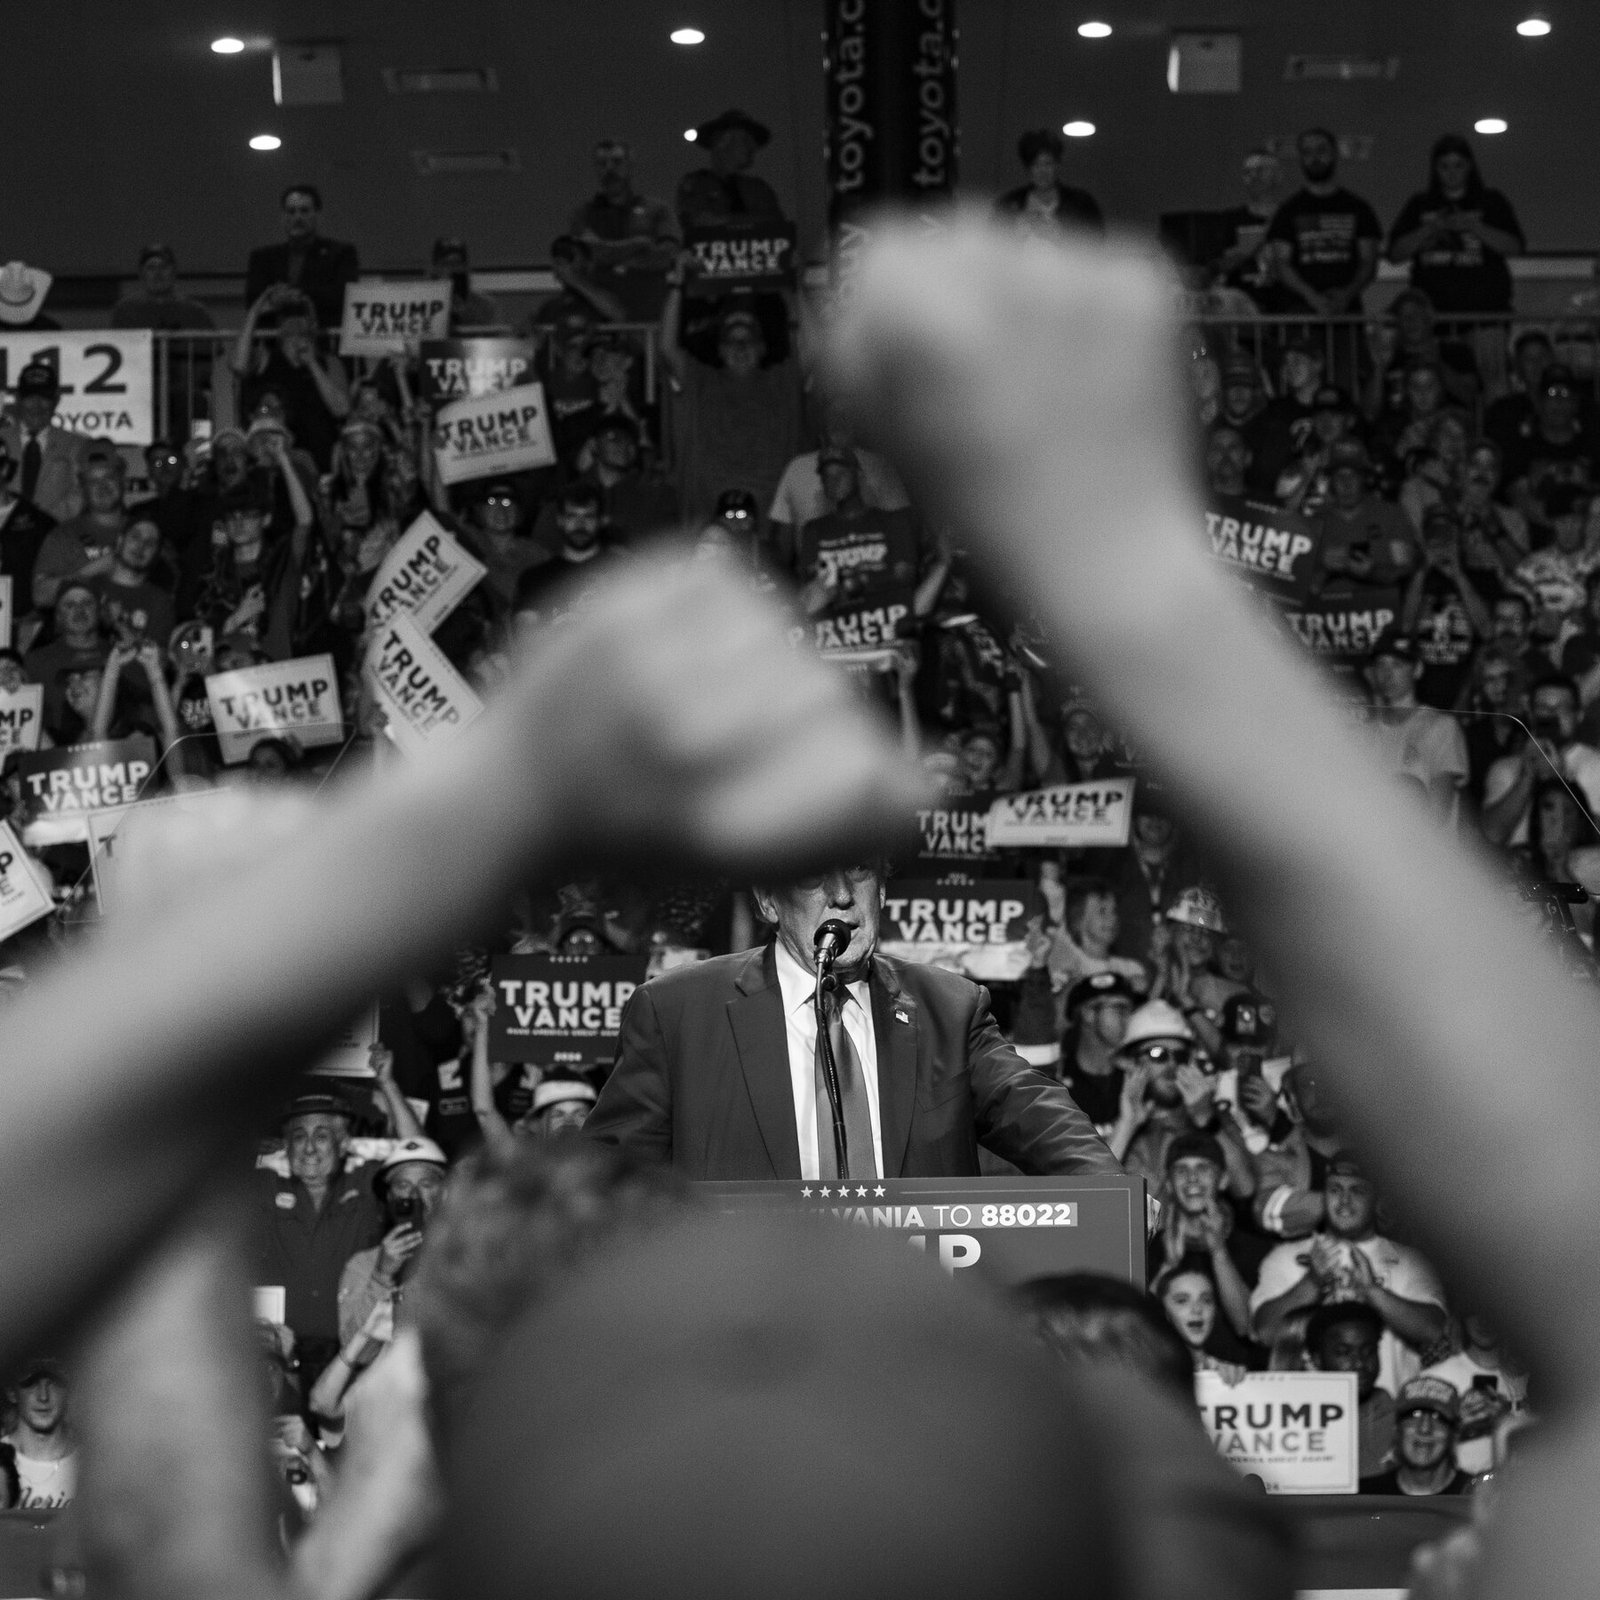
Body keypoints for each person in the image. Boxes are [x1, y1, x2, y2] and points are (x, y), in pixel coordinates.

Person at [586, 860, 1123, 1180]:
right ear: (768, 902)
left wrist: (1112, 1189)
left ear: (882, 890)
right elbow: (604, 1180)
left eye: (860, 871)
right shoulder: (678, 1012)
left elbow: (1035, 1111)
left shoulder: (948, 1008)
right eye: (813, 877)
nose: (842, 895)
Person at [1250, 1155, 1447, 1397]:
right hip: (1313, 1413)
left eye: (1357, 1190)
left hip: (1388, 1413)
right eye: (1335, 1189)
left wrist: (1372, 1292)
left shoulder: (1410, 1261)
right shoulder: (1285, 1257)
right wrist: (1312, 1281)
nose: (1344, 1200)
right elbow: (1265, 1332)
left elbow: (1433, 1331)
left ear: (1376, 1199)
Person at [251, 1088, 385, 1383]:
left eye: (322, 1136)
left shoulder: (367, 1184)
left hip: (351, 1358)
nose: (309, 1148)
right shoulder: (265, 1187)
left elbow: (419, 1160)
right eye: (299, 1137)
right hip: (280, 1359)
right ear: (287, 1147)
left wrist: (389, 1086)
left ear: (342, 1145)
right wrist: (255, 1150)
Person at [1387, 134, 1524, 318]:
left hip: (1485, 314)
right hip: (1432, 317)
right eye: (1444, 166)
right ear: (1435, 169)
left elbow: (1515, 247)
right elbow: (1395, 254)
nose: (1452, 173)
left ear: (1469, 166)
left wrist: (1473, 226)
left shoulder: (1491, 201)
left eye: (1458, 165)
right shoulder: (1420, 204)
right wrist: (1431, 228)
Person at [337, 1136, 449, 1345]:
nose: (414, 1194)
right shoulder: (363, 1265)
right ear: (389, 1197)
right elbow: (352, 1348)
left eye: (426, 1184)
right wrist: (381, 1277)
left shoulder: (465, 1260)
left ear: (444, 1193)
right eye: (403, 1185)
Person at [1265, 127, 1382, 319]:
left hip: (1347, 315)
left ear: (1334, 153)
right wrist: (1313, 298)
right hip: (1301, 315)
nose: (1315, 158)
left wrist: (1346, 295)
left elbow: (1369, 262)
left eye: (1321, 150)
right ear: (1301, 159)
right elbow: (1281, 263)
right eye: (1307, 152)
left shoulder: (1358, 208)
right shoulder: (1288, 211)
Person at [1360, 628, 1469, 821]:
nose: (1387, 674)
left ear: (1417, 670)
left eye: (1397, 665)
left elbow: (1438, 813)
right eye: (1381, 665)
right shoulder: (1366, 733)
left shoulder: (1441, 726)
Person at [569, 138, 681, 321]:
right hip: (599, 314)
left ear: (630, 165)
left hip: (650, 311)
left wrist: (608, 256)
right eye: (602, 163)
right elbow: (590, 253)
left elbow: (668, 256)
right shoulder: (583, 214)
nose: (610, 169)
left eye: (617, 162)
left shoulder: (657, 209)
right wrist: (639, 244)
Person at [244, 183, 361, 333]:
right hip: (272, 343)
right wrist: (275, 299)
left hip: (322, 341)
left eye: (304, 211)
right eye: (291, 211)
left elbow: (342, 296)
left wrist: (293, 294)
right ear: (283, 217)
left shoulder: (341, 253)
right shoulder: (262, 257)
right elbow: (252, 300)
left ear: (317, 215)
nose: (297, 218)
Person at [1305, 1301, 1396, 1483]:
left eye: (1368, 1351)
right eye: (1344, 1352)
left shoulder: (1395, 1415)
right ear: (1317, 1359)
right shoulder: (1296, 1415)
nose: (1360, 1363)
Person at [0, 361, 92, 523]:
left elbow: (81, 492)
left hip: (55, 531)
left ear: (57, 400)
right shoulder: (1, 440)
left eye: (44, 397)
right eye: (30, 397)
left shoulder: (77, 445)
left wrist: (42, 524)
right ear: (17, 399)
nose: (37, 405)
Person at [1361, 1377, 1475, 1496]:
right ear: (1396, 1428)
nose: (1425, 1428)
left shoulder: (1476, 1497)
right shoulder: (1367, 1497)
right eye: (1414, 1415)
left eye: (1438, 1418)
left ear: (1455, 1432)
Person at [676, 109, 786, 231]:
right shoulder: (697, 184)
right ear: (721, 141)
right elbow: (697, 220)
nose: (752, 147)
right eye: (745, 140)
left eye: (752, 142)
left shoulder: (758, 188)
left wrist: (725, 220)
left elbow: (775, 220)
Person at [994, 128, 1104, 238]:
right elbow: (991, 239)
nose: (1042, 171)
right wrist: (1015, 233)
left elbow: (1098, 240)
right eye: (1036, 164)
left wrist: (1062, 235)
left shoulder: (1081, 205)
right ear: (1028, 168)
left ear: (1057, 165)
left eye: (1048, 163)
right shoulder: (1008, 205)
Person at [4, 1360, 75, 1509]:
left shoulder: (96, 1466)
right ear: (11, 1391)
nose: (43, 1396)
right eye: (31, 1383)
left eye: (53, 1383)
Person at [431, 236, 504, 332]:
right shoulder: (423, 304)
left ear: (466, 267)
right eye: (446, 264)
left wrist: (466, 314)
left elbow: (495, 337)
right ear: (435, 269)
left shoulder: (485, 304)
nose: (452, 269)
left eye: (457, 263)